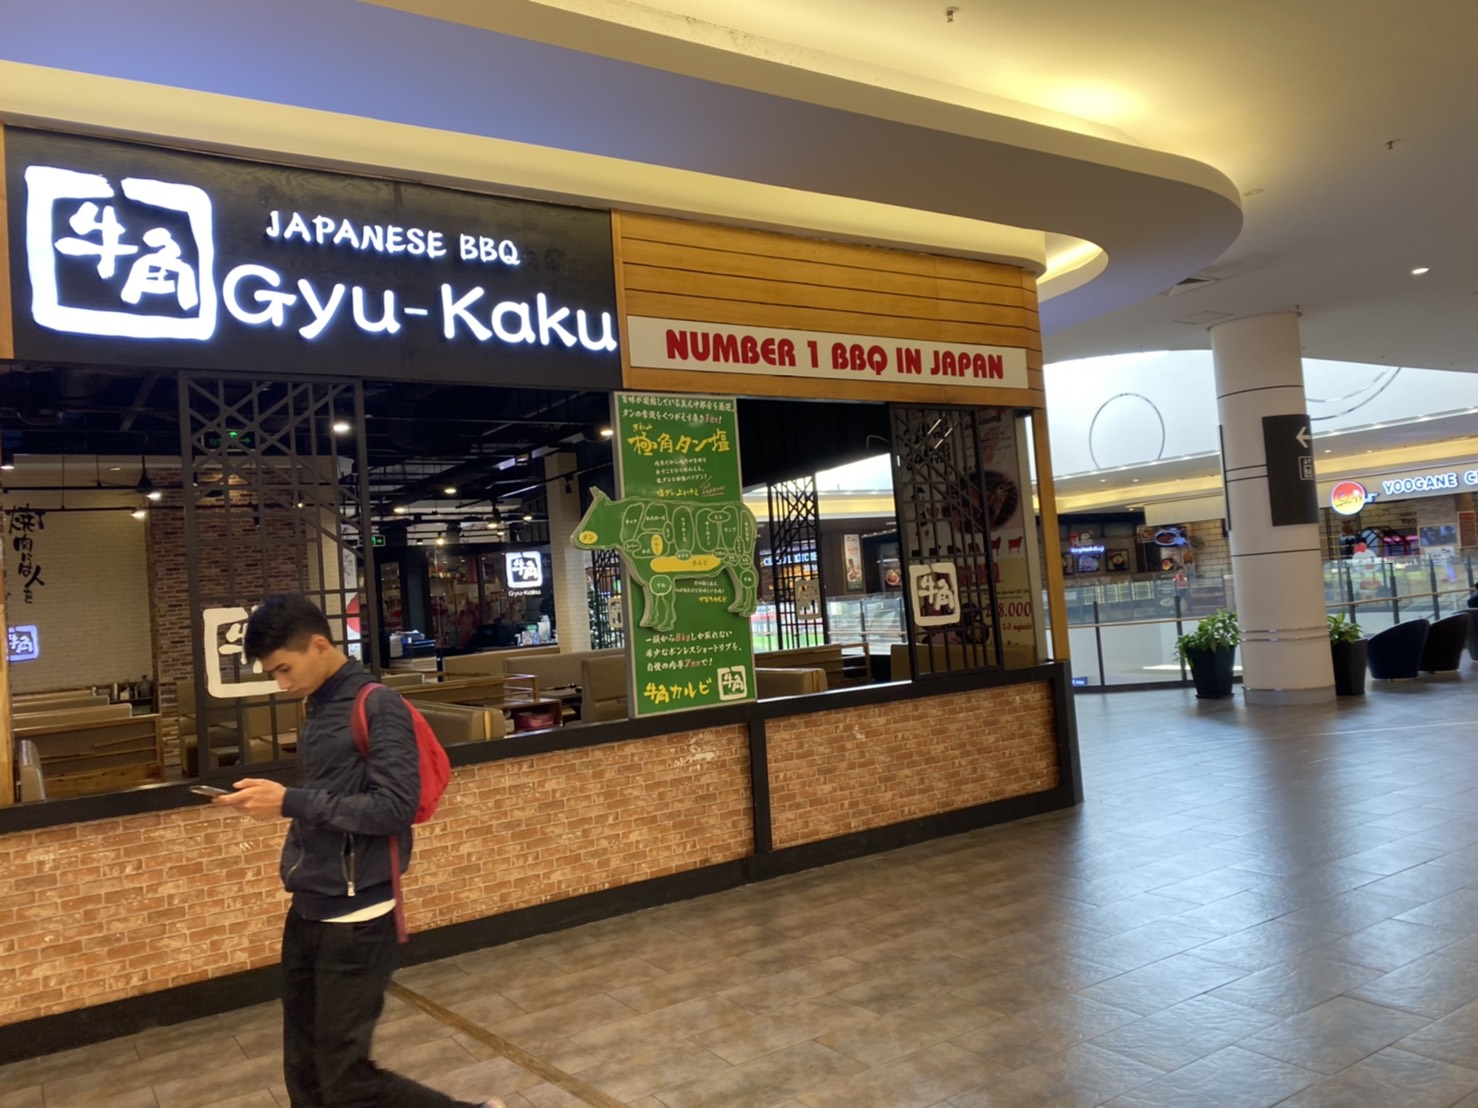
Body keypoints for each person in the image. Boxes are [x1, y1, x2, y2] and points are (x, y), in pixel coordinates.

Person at [213, 593, 503, 1108]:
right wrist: (280, 805)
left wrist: (290, 801)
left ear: (319, 646)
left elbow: (393, 808)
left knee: (346, 1078)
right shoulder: (319, 705)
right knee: (304, 1067)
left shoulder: (377, 705)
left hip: (359, 917)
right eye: (273, 673)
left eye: (284, 669)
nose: (281, 683)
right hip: (309, 905)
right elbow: (331, 800)